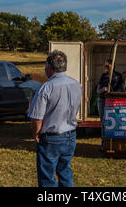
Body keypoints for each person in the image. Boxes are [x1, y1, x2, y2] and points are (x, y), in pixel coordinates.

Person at [28, 50, 82, 188]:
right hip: (70, 134)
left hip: (52, 136)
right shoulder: (76, 84)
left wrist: (36, 134)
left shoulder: (46, 87)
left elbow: (36, 116)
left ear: (49, 67)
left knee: (47, 177)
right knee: (65, 172)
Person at [97, 59, 123, 146]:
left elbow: (121, 89)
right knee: (103, 121)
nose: (106, 68)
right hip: (102, 100)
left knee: (114, 121)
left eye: (107, 66)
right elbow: (98, 90)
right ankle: (104, 142)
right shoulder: (103, 76)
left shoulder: (118, 76)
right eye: (105, 66)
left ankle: (114, 142)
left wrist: (113, 93)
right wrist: (103, 90)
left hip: (112, 101)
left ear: (112, 66)